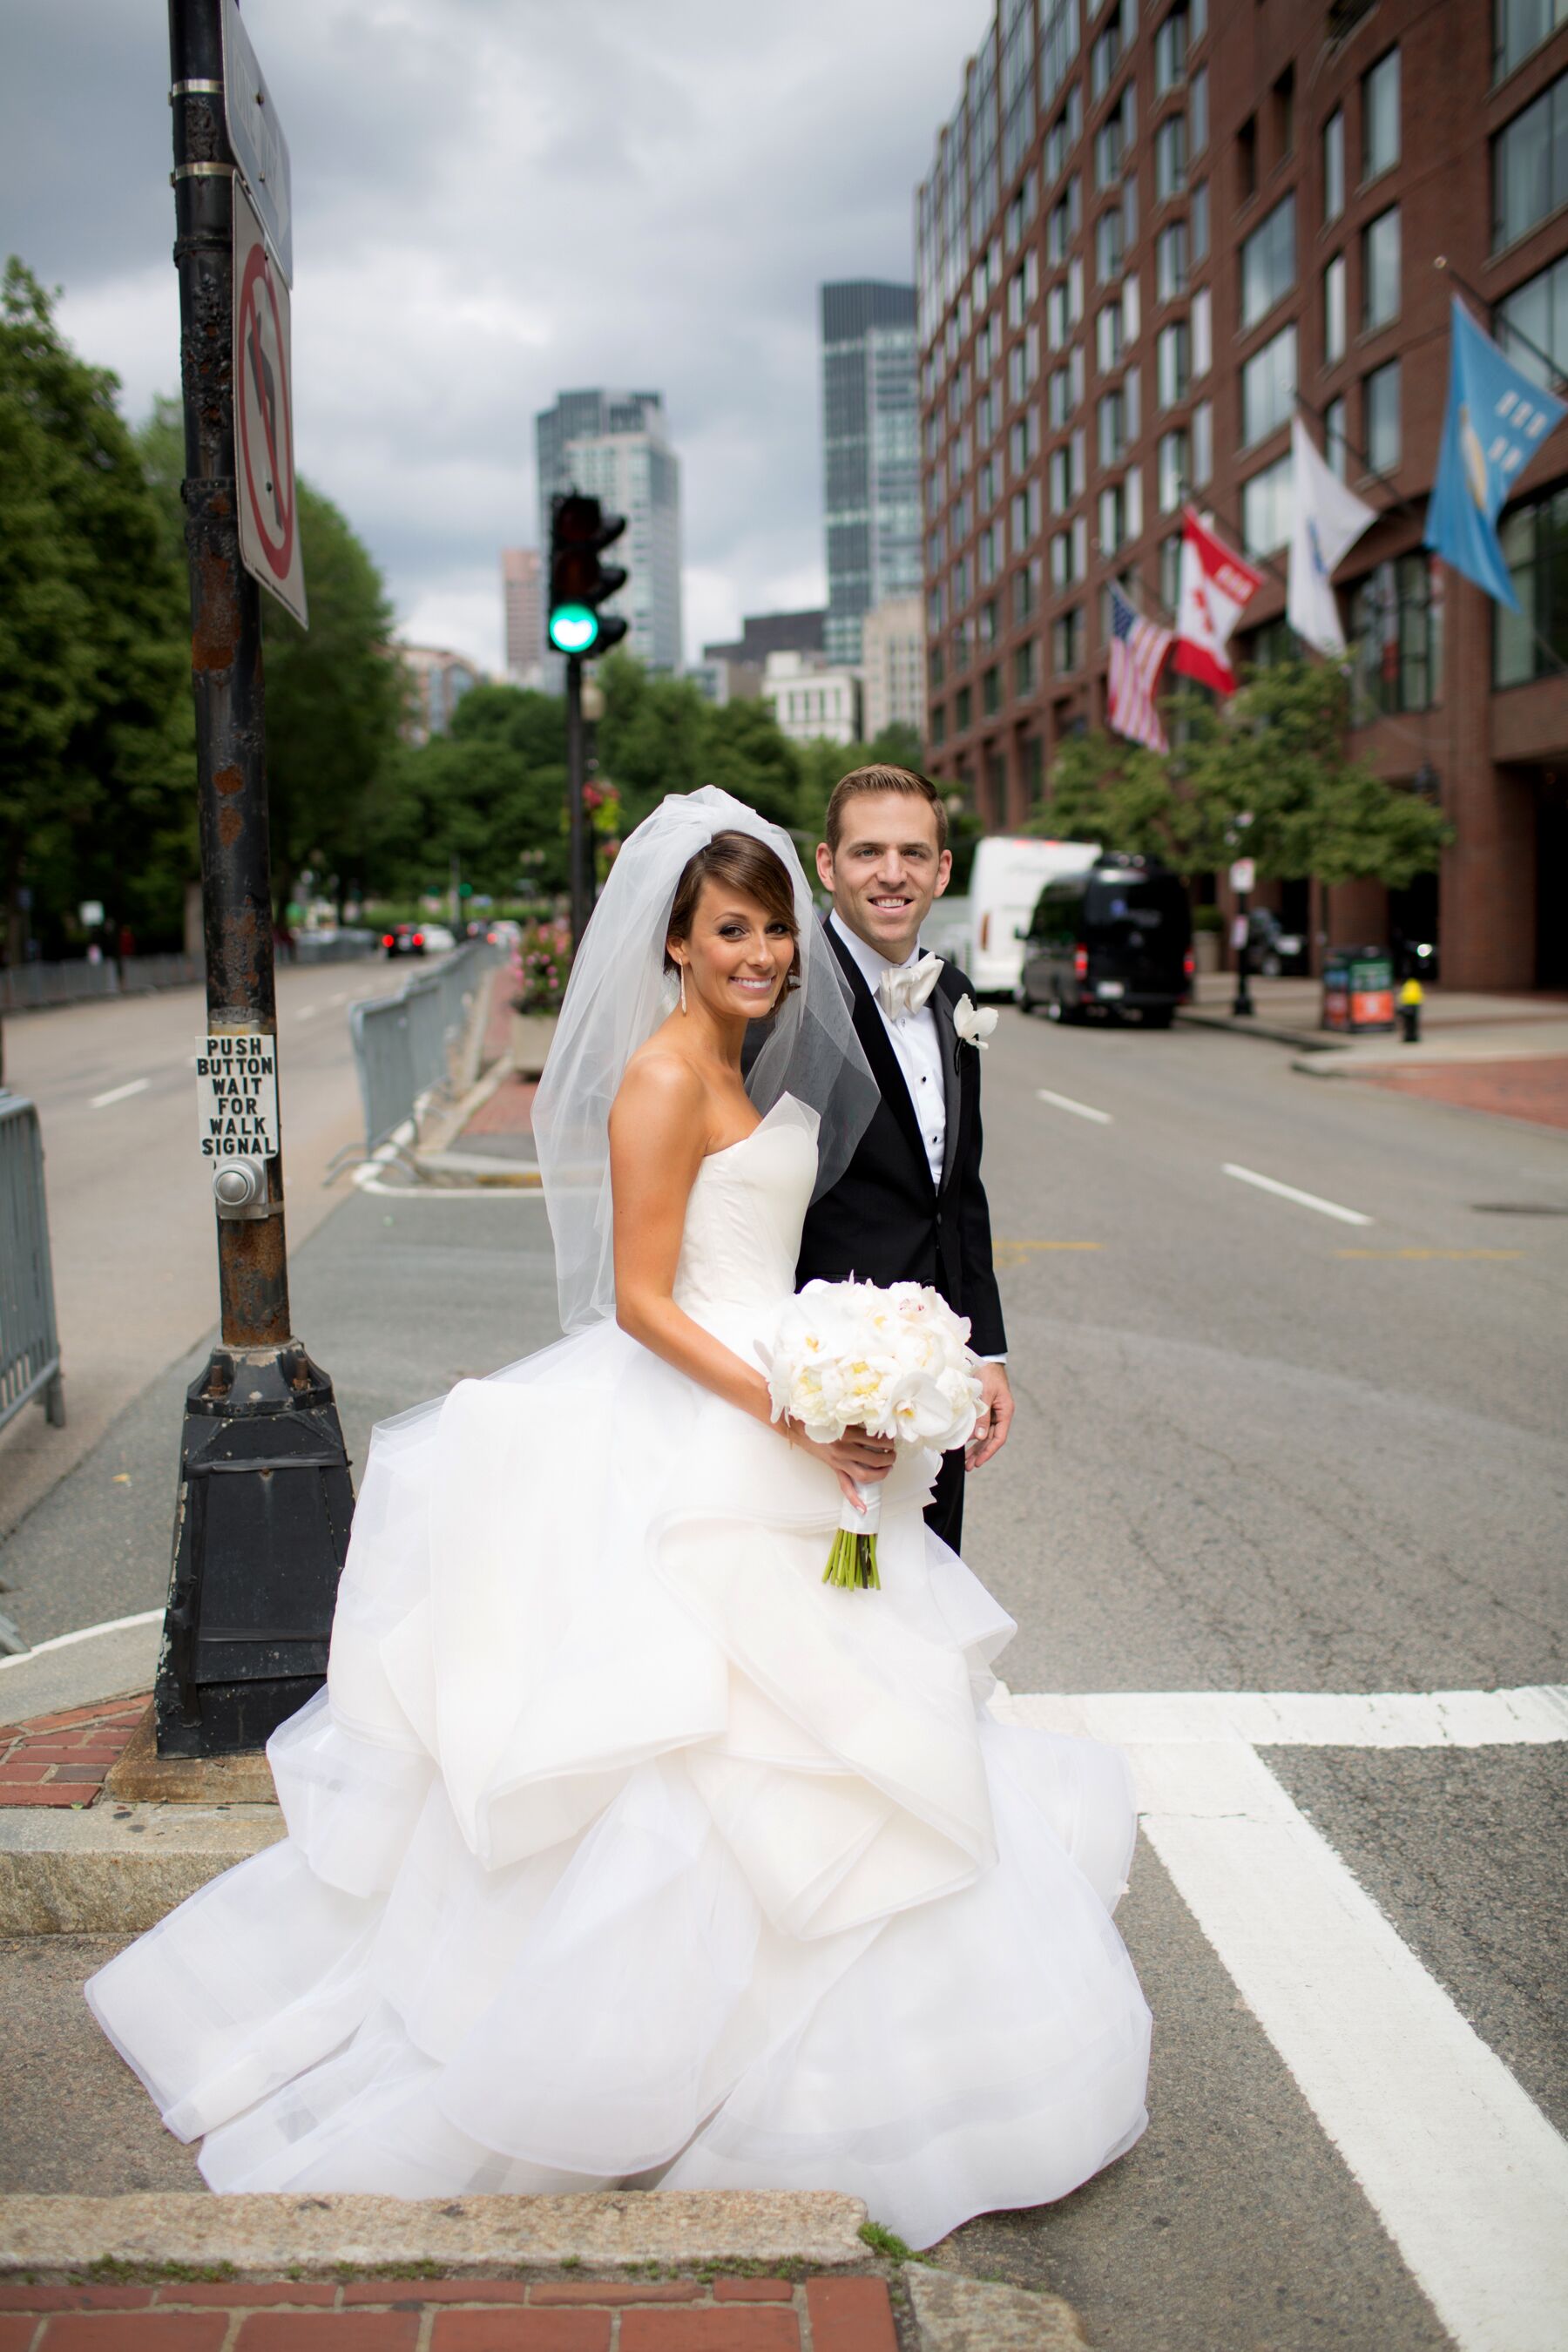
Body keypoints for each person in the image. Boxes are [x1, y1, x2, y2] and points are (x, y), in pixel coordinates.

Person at [86, 788, 1150, 2249]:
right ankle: (639, 2054)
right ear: (674, 942)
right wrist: (788, 1403)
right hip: (710, 1414)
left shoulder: (745, 1054)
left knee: (836, 1718)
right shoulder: (662, 1077)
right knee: (695, 1747)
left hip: (773, 1390)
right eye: (734, 930)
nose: (764, 952)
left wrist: (866, 1368)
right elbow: (644, 1304)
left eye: (775, 927)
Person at [800, 764, 1009, 1554]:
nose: (893, 874)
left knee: (929, 1599)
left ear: (942, 869)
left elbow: (960, 1194)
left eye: (915, 853)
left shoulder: (953, 993)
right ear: (827, 865)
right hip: (821, 1385)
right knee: (829, 1620)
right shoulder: (780, 999)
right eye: (868, 852)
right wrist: (790, 1398)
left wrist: (984, 1351)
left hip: (937, 1379)